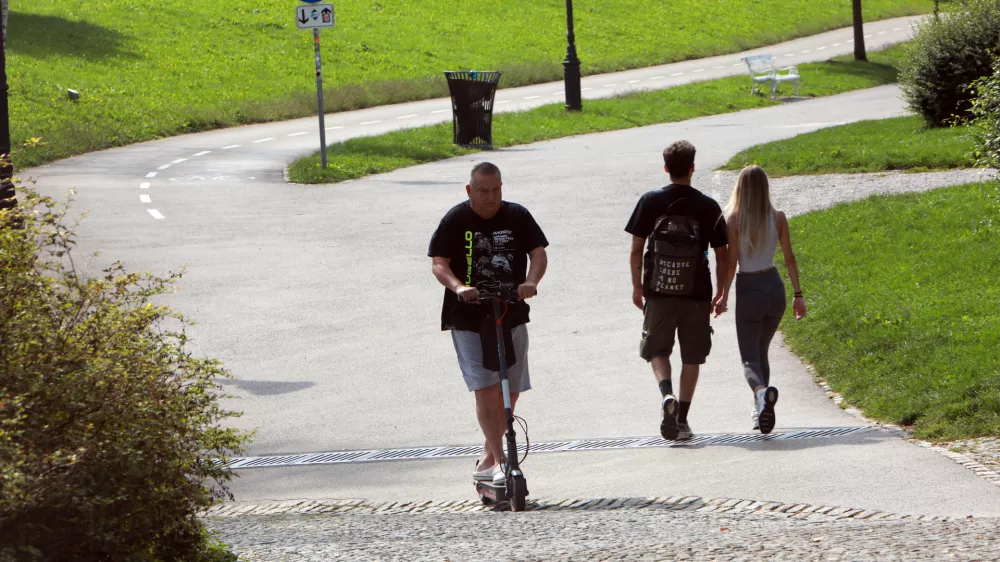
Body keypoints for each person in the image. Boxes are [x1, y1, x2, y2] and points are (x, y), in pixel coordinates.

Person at [428, 162, 548, 486]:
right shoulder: (455, 219)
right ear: (470, 191)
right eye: (483, 191)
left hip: (510, 312)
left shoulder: (517, 215)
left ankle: (488, 455)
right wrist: (458, 287)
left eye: (496, 190)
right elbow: (439, 262)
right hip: (468, 319)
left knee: (510, 386)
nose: (490, 197)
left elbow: (539, 252)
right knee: (486, 388)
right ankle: (501, 460)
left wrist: (531, 281)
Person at [625, 141, 729, 441]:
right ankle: (682, 419)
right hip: (696, 294)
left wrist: (637, 286)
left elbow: (636, 249)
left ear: (666, 167)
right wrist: (721, 292)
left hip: (659, 290)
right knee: (692, 356)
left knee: (657, 349)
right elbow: (723, 255)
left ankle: (666, 394)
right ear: (693, 168)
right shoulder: (708, 206)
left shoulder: (650, 201)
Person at [715, 165, 806, 434]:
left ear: (740, 188)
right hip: (774, 288)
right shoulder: (778, 217)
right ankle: (761, 410)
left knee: (749, 359)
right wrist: (798, 296)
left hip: (750, 288)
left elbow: (731, 264)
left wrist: (722, 295)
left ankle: (760, 395)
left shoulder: (734, 219)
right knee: (761, 351)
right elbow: (789, 258)